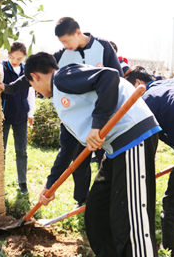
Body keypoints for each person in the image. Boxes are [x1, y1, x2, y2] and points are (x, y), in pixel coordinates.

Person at [0, 52, 161, 257]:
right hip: (115, 150)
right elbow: (67, 148)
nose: (36, 90)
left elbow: (109, 77)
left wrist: (97, 125)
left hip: (132, 138)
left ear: (36, 76)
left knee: (130, 219)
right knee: (97, 212)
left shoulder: (64, 76)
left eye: (32, 85)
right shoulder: (61, 99)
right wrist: (50, 186)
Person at [125, 66, 174, 257]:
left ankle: (168, 252)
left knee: (173, 210)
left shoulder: (146, 100)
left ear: (138, 84)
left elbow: (145, 147)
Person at [53, 17, 124, 206]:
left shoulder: (103, 47)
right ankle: (82, 200)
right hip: (76, 117)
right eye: (62, 43)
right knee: (79, 161)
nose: (65, 46)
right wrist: (9, 87)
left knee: (106, 159)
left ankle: (106, 199)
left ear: (78, 33)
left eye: (67, 40)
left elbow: (119, 79)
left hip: (103, 118)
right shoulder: (60, 56)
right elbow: (38, 71)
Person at [0, 42, 35, 194]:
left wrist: (31, 113)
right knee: (1, 150)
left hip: (21, 115)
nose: (15, 61)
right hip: (3, 115)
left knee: (22, 151)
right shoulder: (2, 68)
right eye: (13, 57)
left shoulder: (27, 70)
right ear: (8, 54)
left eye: (19, 59)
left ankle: (22, 182)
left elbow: (31, 92)